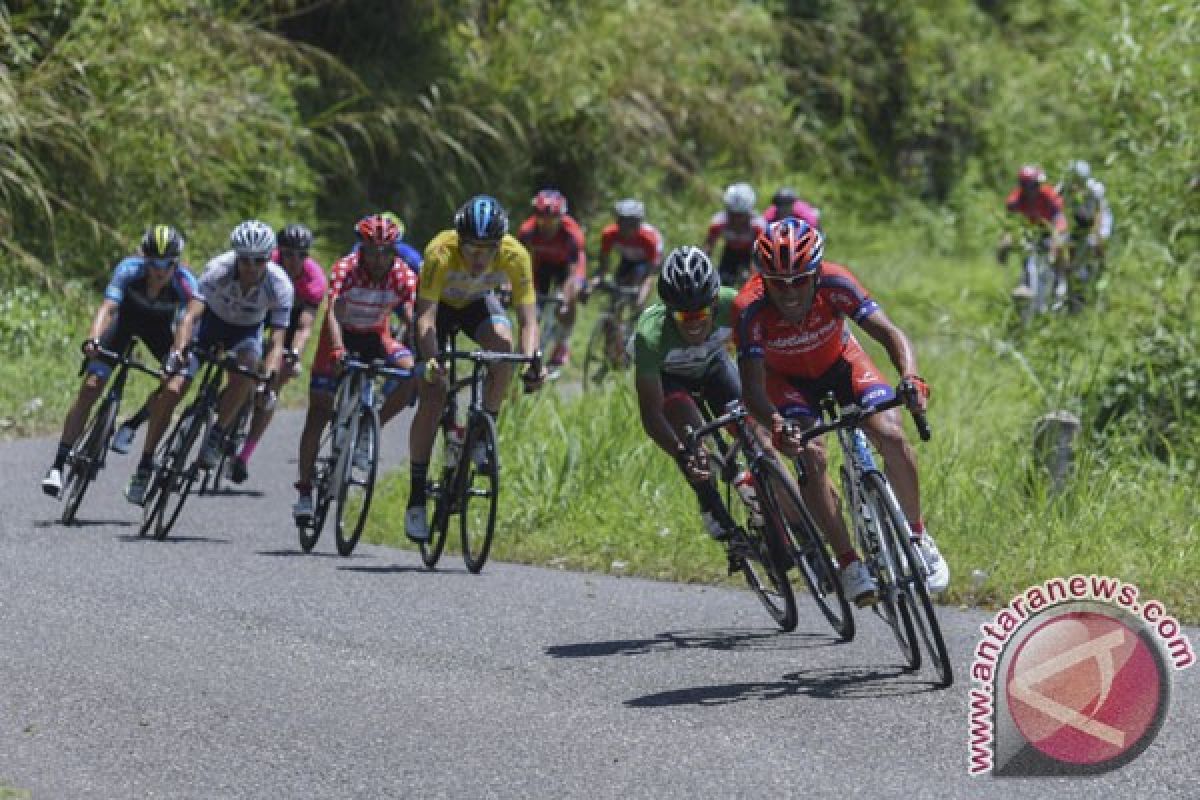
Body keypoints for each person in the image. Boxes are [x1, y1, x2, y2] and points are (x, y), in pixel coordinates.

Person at [733, 220, 950, 604]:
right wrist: (778, 425)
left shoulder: (836, 283)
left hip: (842, 364)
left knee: (891, 435)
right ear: (762, 278)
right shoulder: (749, 309)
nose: (789, 293)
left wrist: (911, 377)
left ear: (816, 272)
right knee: (811, 458)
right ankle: (848, 561)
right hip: (787, 384)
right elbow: (751, 389)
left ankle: (917, 536)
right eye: (777, 282)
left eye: (799, 280)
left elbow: (891, 334)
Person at [404, 195, 546, 542]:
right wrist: (433, 358)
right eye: (470, 248)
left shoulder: (516, 255)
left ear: (500, 244)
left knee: (504, 349)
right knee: (434, 395)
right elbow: (424, 317)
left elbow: (528, 321)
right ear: (459, 241)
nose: (479, 258)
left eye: (488, 249)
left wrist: (531, 360)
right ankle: (417, 493)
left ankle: (483, 432)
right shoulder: (440, 252)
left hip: (477, 304)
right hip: (438, 312)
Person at [41, 225, 199, 505]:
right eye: (153, 262)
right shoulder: (129, 270)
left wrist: (177, 355)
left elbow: (186, 324)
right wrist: (93, 340)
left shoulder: (186, 282)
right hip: (123, 327)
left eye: (166, 264)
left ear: (176, 262)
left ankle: (134, 423)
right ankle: (57, 464)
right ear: (145, 259)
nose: (159, 270)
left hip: (160, 333)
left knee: (174, 386)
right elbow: (108, 308)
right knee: (90, 387)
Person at [292, 214, 418, 522]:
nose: (378, 259)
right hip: (339, 337)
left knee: (413, 373)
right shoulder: (345, 268)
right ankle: (305, 492)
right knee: (319, 413)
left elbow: (414, 318)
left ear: (395, 251)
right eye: (371, 251)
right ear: (360, 247)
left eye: (385, 251)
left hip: (376, 336)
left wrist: (427, 352)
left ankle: (368, 428)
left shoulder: (403, 274)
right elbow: (333, 312)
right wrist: (337, 350)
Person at [632, 246, 742, 543]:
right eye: (683, 315)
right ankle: (707, 498)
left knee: (750, 428)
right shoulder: (649, 336)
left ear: (715, 302)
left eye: (702, 313)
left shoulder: (734, 304)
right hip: (673, 382)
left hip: (714, 366)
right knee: (695, 444)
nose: (694, 323)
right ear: (668, 310)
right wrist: (682, 454)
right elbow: (652, 415)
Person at [169, 220, 293, 472]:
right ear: (236, 255)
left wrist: (267, 377)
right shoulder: (218, 269)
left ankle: (217, 433)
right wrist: (179, 350)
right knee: (178, 382)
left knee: (247, 371)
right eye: (245, 260)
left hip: (246, 331)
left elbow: (277, 341)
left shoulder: (280, 285)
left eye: (259, 260)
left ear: (269, 258)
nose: (251, 267)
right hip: (211, 322)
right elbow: (190, 316)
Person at [224, 223, 328, 483]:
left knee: (272, 387)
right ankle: (225, 420)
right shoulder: (265, 263)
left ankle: (244, 456)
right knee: (242, 368)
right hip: (260, 313)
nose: (294, 261)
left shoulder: (314, 280)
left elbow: (304, 327)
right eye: (288, 254)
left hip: (289, 322)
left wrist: (293, 353)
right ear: (278, 252)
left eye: (301, 255)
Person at [515, 189, 587, 372]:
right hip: (542, 265)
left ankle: (562, 343)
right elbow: (517, 263)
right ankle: (531, 349)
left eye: (552, 218)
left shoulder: (572, 235)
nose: (546, 223)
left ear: (561, 217)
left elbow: (572, 274)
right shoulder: (527, 231)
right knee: (533, 309)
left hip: (568, 268)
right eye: (540, 217)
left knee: (568, 301)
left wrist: (565, 296)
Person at [997, 165, 1069, 301]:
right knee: (1021, 248)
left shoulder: (1048, 195)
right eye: (1034, 185)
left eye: (1038, 185)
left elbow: (1059, 219)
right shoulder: (1015, 201)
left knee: (1059, 244)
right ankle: (1025, 283)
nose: (1037, 188)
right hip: (1031, 231)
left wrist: (1055, 237)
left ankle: (1060, 279)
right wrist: (1006, 239)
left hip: (1051, 228)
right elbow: (1010, 224)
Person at [590, 198, 663, 311]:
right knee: (617, 290)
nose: (624, 227)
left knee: (637, 281)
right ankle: (614, 320)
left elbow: (649, 276)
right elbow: (603, 262)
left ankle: (638, 316)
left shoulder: (650, 240)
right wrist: (598, 279)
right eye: (621, 221)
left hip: (645, 262)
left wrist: (641, 298)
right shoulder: (609, 234)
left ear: (638, 224)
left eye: (630, 224)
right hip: (627, 259)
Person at [703, 182, 767, 287]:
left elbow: (760, 254)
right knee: (722, 281)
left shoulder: (758, 225)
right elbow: (708, 247)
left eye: (741, 215)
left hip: (750, 254)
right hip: (730, 252)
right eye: (732, 214)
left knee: (751, 281)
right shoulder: (719, 221)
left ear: (749, 212)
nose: (736, 220)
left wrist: (753, 274)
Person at [1056, 159, 1113, 268]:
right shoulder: (1064, 186)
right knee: (1068, 244)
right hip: (1081, 219)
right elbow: (1053, 200)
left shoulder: (1094, 189)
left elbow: (1099, 213)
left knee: (1094, 242)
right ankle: (1068, 271)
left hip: (1101, 218)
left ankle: (1103, 264)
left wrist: (1096, 232)